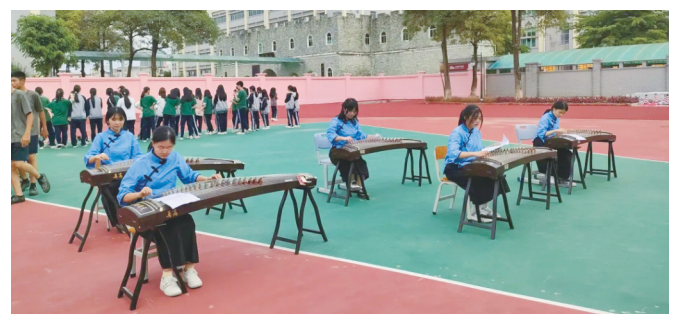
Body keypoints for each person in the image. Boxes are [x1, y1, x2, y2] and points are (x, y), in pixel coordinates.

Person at [117, 126, 220, 297]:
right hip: (146, 212)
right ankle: (167, 276)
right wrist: (140, 193)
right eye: (161, 147)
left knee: (187, 221)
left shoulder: (175, 158)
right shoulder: (140, 164)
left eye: (169, 147)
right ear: (153, 144)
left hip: (169, 205)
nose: (165, 151)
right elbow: (123, 195)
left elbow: (189, 176)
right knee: (167, 228)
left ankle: (189, 269)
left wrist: (208, 179)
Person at [443, 104, 510, 221]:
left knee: (496, 176)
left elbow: (478, 149)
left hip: (470, 164)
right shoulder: (457, 133)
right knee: (478, 179)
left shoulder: (476, 132)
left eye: (479, 118)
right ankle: (474, 212)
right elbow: (454, 153)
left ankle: (483, 207)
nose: (478, 121)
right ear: (465, 117)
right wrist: (476, 154)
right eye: (474, 118)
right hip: (454, 167)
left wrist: (490, 148)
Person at [84, 107, 142, 230]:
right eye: (114, 119)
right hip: (109, 176)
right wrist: (97, 157)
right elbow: (88, 157)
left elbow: (139, 156)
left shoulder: (129, 136)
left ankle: (136, 216)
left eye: (121, 119)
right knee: (109, 189)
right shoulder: (100, 137)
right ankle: (118, 221)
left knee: (143, 184)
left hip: (127, 174)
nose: (117, 122)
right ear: (107, 121)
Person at [327, 98, 378, 192]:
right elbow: (330, 135)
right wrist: (344, 138)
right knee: (351, 162)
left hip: (351, 150)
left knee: (360, 162)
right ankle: (351, 182)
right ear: (344, 109)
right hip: (337, 151)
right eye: (350, 111)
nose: (352, 113)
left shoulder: (354, 122)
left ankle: (359, 186)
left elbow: (361, 135)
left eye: (354, 111)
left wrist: (372, 136)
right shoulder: (336, 121)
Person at [11, 85, 50, 204]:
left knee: (18, 163)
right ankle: (19, 195)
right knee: (10, 165)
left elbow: (30, 114)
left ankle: (39, 176)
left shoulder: (19, 95)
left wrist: (27, 133)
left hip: (19, 135)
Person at [533, 101, 573, 187]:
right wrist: (555, 131)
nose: (561, 115)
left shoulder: (556, 118)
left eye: (563, 113)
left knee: (567, 153)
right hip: (540, 142)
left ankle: (562, 176)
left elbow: (554, 133)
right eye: (560, 112)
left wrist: (560, 133)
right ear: (554, 109)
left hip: (550, 141)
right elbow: (541, 134)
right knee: (556, 154)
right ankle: (550, 173)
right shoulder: (545, 117)